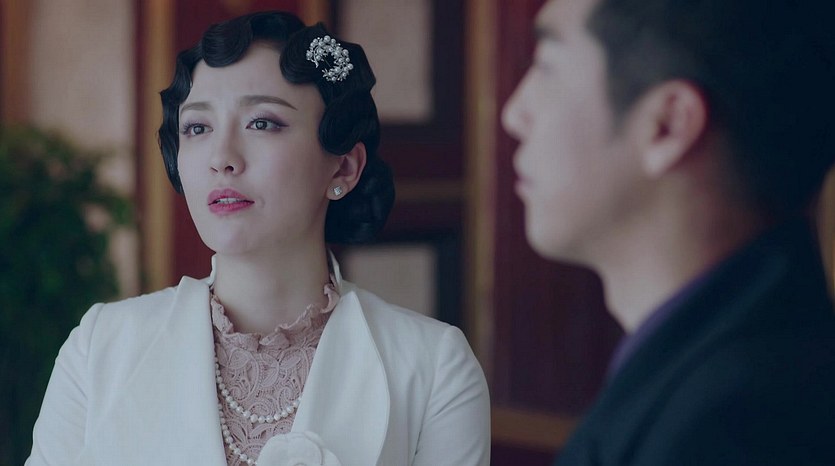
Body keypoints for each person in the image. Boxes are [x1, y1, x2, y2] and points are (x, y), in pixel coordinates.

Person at [27, 11, 489, 466]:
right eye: (198, 128)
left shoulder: (434, 367)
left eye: (262, 123)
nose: (221, 158)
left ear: (344, 167)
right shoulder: (99, 347)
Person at [502, 0, 835, 464]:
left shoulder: (726, 430)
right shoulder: (756, 371)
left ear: (668, 125)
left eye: (547, 66)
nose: (513, 114)